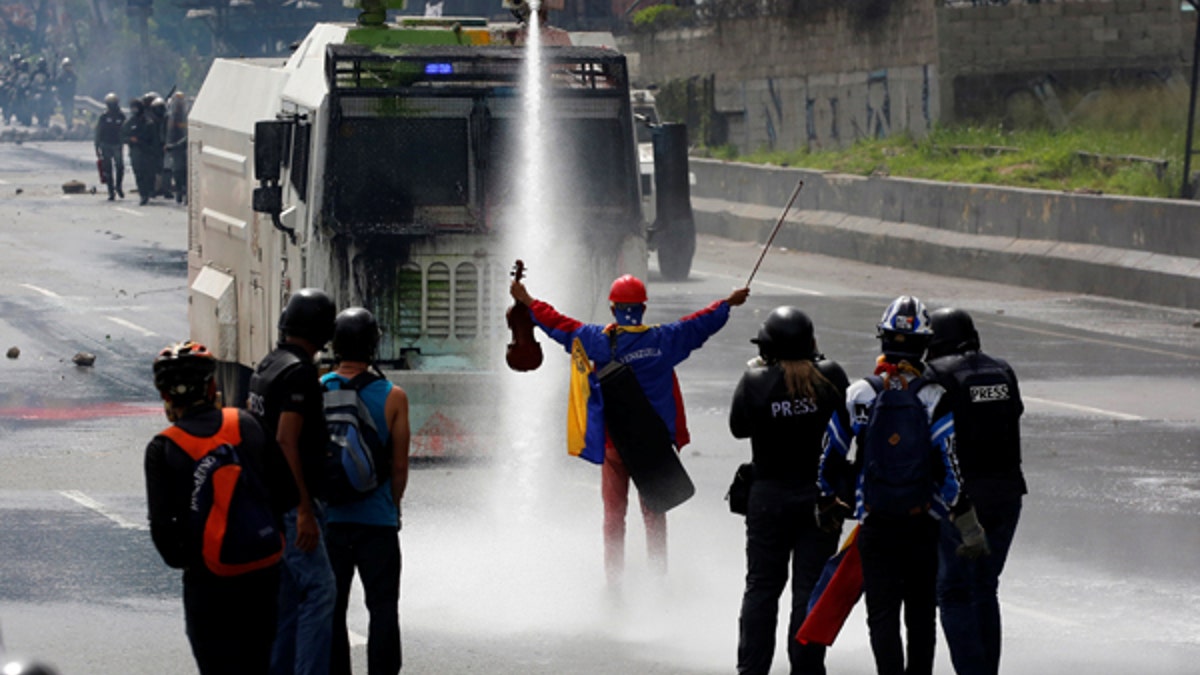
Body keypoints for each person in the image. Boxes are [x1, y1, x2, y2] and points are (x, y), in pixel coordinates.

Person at [510, 273, 749, 585]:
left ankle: (614, 580)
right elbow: (701, 322)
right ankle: (657, 577)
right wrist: (728, 303)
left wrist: (528, 300)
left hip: (615, 444)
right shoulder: (666, 339)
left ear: (613, 308)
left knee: (613, 516)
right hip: (655, 446)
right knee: (655, 512)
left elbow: (559, 326)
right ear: (643, 309)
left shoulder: (597, 341)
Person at [817, 295, 987, 675]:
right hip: (921, 524)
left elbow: (831, 456)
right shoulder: (933, 396)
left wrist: (829, 498)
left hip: (876, 524)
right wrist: (962, 517)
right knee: (921, 615)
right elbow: (949, 466)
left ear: (884, 339)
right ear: (924, 344)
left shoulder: (859, 393)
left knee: (882, 614)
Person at [144, 340, 282, 674]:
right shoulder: (246, 424)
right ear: (212, 387)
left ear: (166, 396)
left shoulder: (163, 448)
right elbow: (285, 492)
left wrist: (194, 557)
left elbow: (164, 536)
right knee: (263, 663)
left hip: (208, 584)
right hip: (264, 574)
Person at [730, 307, 849, 675]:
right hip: (820, 497)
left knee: (762, 588)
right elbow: (850, 423)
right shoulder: (831, 377)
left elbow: (738, 427)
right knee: (809, 590)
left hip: (768, 498)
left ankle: (752, 669)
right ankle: (807, 667)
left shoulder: (754, 380)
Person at [924, 308, 1025, 675]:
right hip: (1008, 495)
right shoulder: (1003, 370)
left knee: (953, 592)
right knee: (985, 587)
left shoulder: (937, 374)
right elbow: (1015, 412)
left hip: (962, 500)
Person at [247, 288, 338, 675]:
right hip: (289, 504)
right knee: (320, 591)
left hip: (265, 499)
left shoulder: (270, 364)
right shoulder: (300, 372)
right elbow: (287, 439)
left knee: (287, 598)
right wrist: (303, 509)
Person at [322, 307, 410, 675]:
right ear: (374, 345)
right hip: (378, 521)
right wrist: (394, 505)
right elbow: (400, 465)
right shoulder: (394, 396)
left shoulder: (319, 387)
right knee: (383, 607)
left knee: (333, 609)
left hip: (331, 519)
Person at [121, 97, 160, 205]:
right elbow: (122, 136)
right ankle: (143, 195)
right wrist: (130, 140)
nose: (134, 110)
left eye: (136, 107)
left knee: (149, 174)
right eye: (132, 108)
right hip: (135, 153)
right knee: (139, 174)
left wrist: (155, 152)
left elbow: (155, 139)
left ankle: (149, 191)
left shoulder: (149, 123)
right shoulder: (129, 122)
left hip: (147, 152)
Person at [94, 93, 125, 200]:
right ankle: (111, 191)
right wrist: (97, 147)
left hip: (117, 145)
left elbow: (125, 130)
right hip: (105, 145)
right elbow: (98, 132)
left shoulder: (121, 116)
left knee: (120, 167)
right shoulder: (104, 117)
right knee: (107, 169)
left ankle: (118, 186)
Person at [165, 92, 189, 203]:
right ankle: (179, 191)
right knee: (177, 170)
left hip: (185, 147)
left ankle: (186, 192)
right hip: (174, 148)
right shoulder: (169, 117)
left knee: (186, 171)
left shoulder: (188, 117)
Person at [55, 58, 76, 128]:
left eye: (69, 65)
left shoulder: (73, 75)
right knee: (65, 110)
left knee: (70, 109)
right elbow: (58, 85)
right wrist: (59, 94)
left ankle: (70, 122)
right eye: (66, 66)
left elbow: (74, 84)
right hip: (63, 96)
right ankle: (68, 122)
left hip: (70, 96)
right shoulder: (61, 76)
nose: (68, 67)